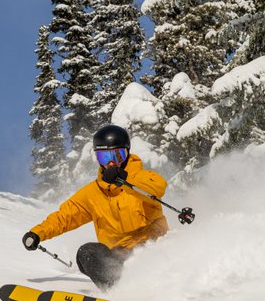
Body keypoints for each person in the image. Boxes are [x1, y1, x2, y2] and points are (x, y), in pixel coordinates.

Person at [23, 124, 169, 289]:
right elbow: (65, 216)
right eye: (105, 158)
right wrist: (37, 233)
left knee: (148, 258)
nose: (111, 163)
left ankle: (153, 287)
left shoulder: (141, 179)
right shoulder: (93, 193)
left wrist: (126, 179)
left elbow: (158, 188)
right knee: (86, 253)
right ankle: (119, 292)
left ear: (127, 154)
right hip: (119, 257)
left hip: (154, 248)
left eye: (118, 155)